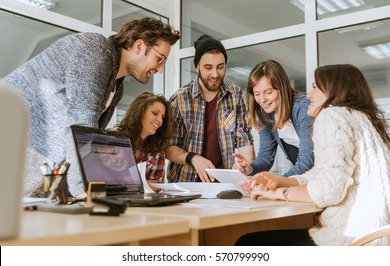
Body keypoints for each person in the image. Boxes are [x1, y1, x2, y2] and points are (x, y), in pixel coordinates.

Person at [3, 17, 180, 197]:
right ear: (139, 46)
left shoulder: (117, 86)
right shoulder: (95, 51)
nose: (160, 69)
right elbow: (82, 127)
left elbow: (83, 142)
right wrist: (84, 192)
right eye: (160, 59)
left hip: (34, 162)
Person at [236, 64, 390, 246]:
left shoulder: (331, 116)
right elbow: (322, 172)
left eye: (315, 87)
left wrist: (279, 192)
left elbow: (329, 189)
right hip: (374, 237)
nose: (308, 94)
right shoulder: (362, 119)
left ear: (333, 91)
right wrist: (280, 181)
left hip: (348, 240)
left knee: (248, 243)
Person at [166, 34, 255, 183]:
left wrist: (248, 170)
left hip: (224, 183)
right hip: (186, 183)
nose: (215, 74)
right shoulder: (179, 99)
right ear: (197, 67)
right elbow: (169, 148)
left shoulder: (237, 95)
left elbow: (244, 139)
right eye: (208, 67)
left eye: (220, 67)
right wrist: (193, 158)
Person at [233, 60, 314, 177]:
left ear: (281, 88)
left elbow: (307, 161)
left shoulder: (303, 107)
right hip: (309, 176)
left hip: (328, 172)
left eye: (268, 92)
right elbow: (265, 158)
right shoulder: (266, 114)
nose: (262, 100)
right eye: (257, 94)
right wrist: (250, 168)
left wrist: (278, 181)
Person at [111, 91, 173, 191]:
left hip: (141, 204)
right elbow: (104, 181)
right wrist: (142, 184)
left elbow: (157, 185)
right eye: (155, 113)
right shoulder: (114, 137)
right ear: (140, 112)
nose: (160, 121)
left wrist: (127, 185)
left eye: (162, 117)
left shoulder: (157, 148)